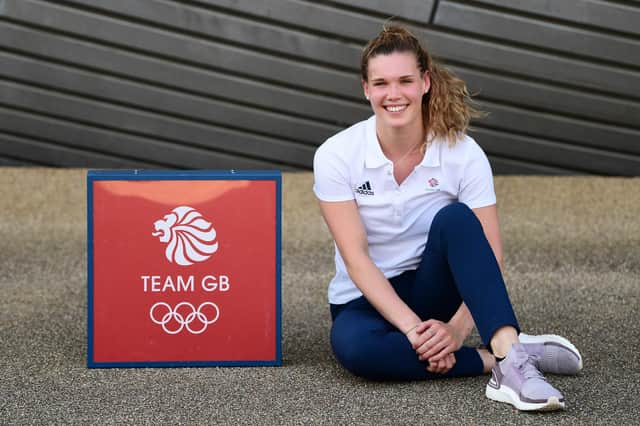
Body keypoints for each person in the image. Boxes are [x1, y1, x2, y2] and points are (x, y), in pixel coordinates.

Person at [312, 25, 582, 412]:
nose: (394, 94)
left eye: (405, 80)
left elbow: (489, 252)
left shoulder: (463, 153)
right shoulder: (336, 155)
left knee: (456, 219)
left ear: (424, 82)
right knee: (356, 350)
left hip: (434, 289)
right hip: (364, 299)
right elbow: (356, 259)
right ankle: (498, 357)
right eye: (382, 83)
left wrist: (456, 330)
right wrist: (415, 332)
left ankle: (510, 363)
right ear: (366, 89)